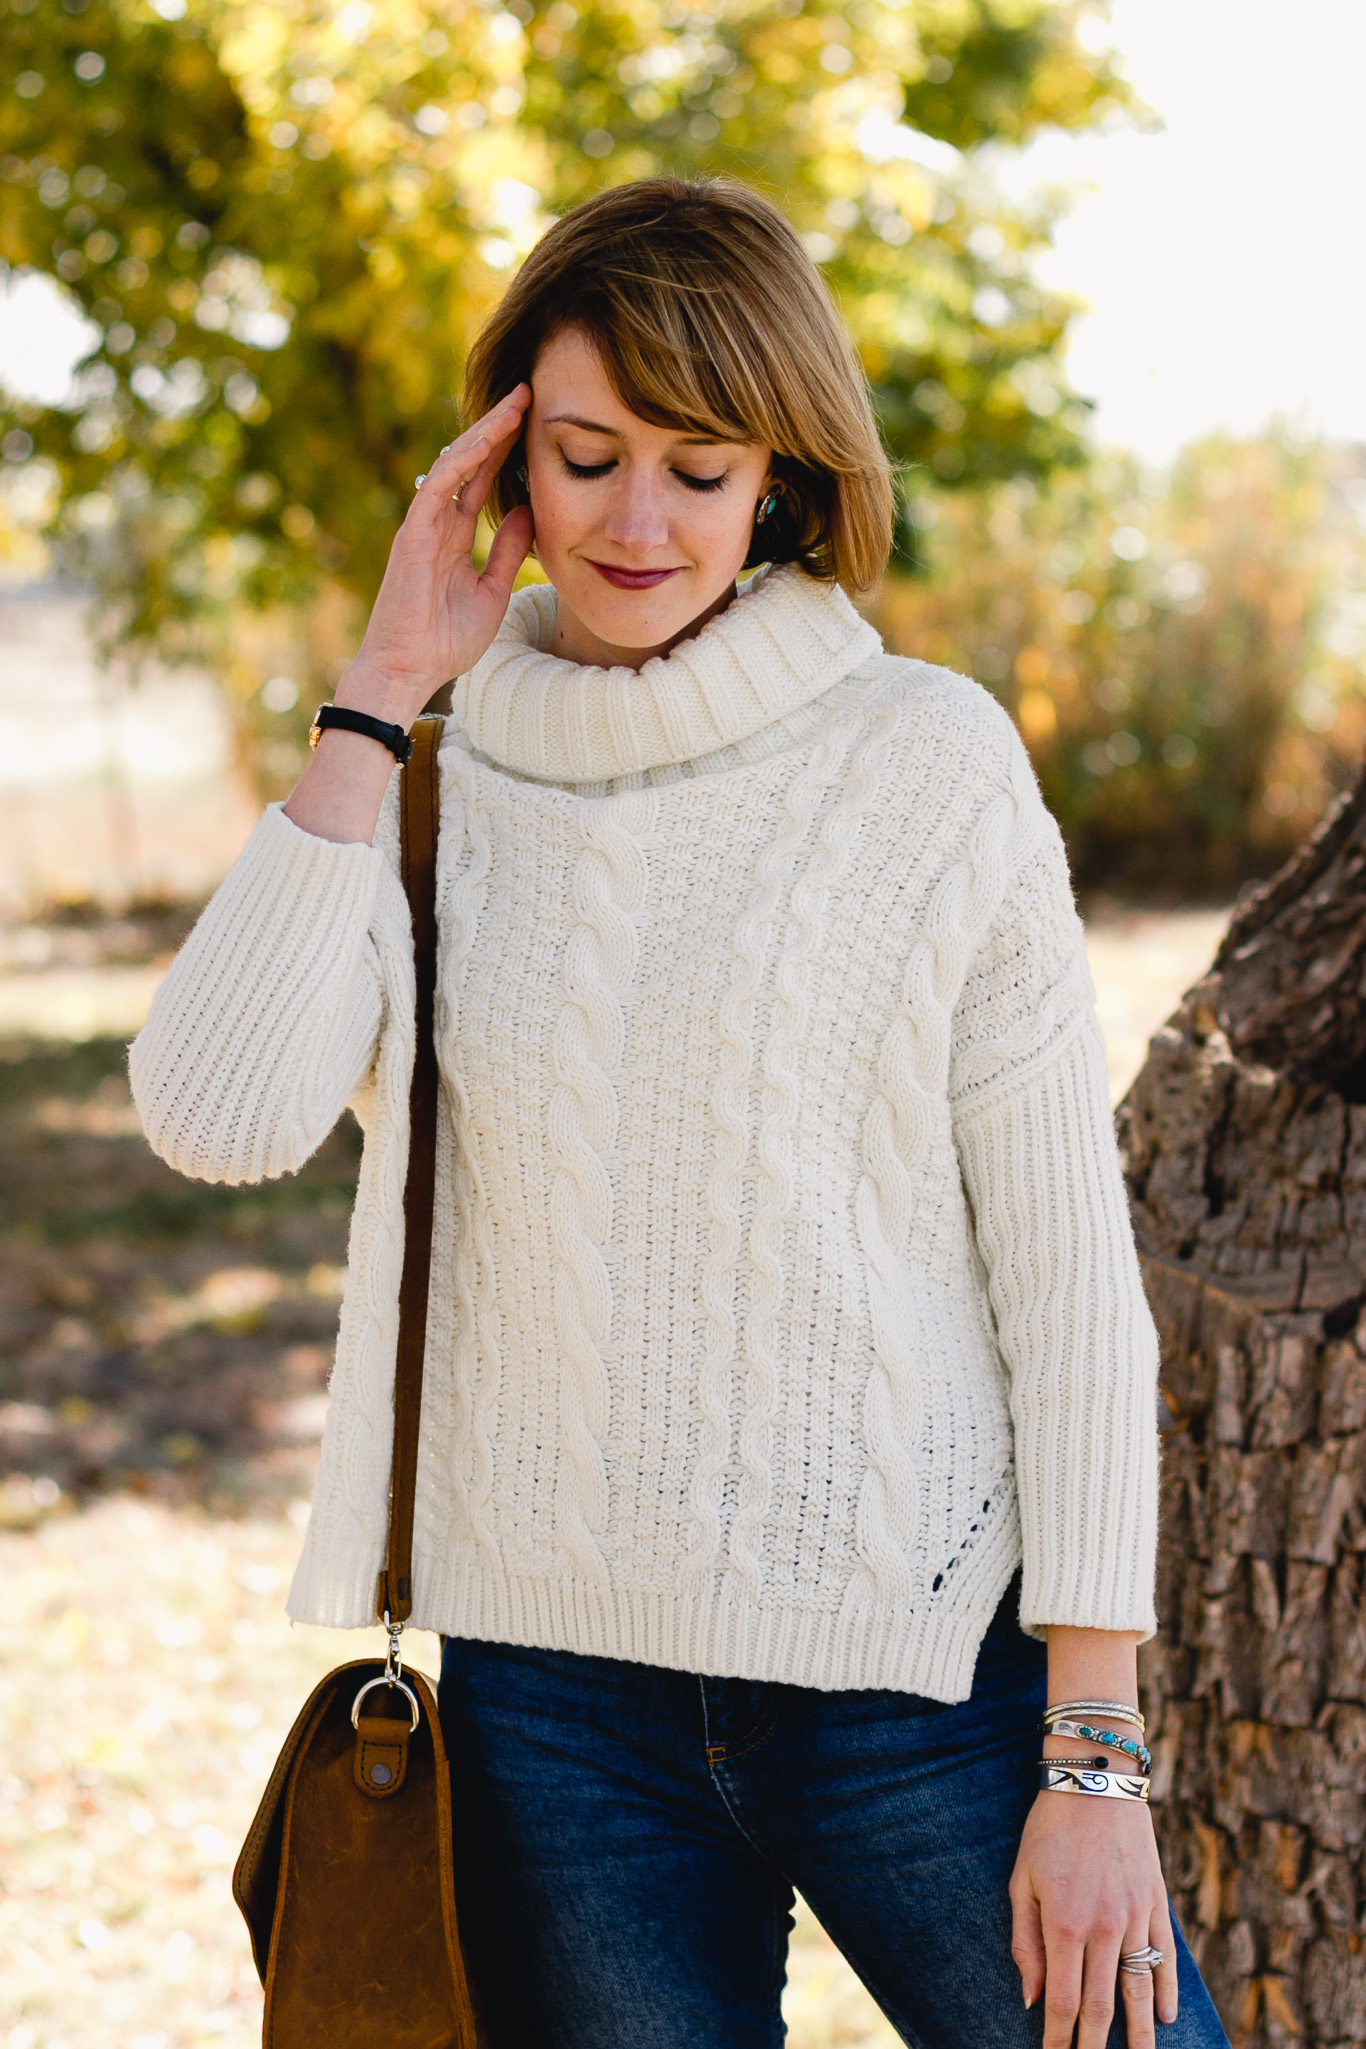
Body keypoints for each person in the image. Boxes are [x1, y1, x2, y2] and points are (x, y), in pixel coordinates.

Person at [130, 178, 1229, 2049]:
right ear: (505, 460)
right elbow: (215, 1115)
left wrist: (1094, 1754)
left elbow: (1068, 1295)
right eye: (586, 457)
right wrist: (380, 686)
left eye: (699, 469)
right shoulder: (428, 774)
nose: (636, 522)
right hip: (554, 1709)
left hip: (917, 1681)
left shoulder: (928, 762)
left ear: (782, 477)